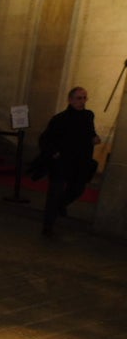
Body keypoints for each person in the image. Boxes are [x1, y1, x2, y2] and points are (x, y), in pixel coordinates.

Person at [37, 86, 101, 235]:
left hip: (80, 162)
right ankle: (48, 226)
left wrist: (94, 138)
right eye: (79, 98)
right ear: (70, 100)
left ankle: (61, 204)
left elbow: (90, 132)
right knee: (54, 193)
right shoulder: (60, 119)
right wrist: (53, 152)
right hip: (62, 162)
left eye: (85, 98)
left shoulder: (88, 115)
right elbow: (45, 139)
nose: (83, 101)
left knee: (78, 189)